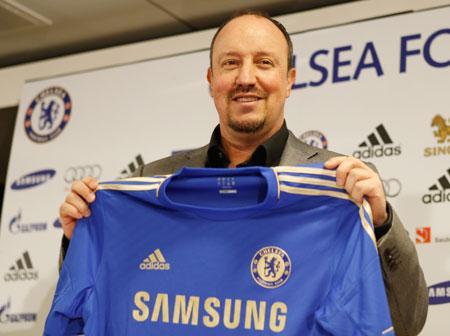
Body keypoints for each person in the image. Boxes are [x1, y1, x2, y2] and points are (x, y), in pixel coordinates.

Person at [58, 11, 428, 336]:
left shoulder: (339, 187)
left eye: (264, 63)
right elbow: (97, 304)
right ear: (212, 78)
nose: (245, 78)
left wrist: (379, 224)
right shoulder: (150, 181)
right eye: (231, 63)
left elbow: (406, 322)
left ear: (289, 80)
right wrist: (82, 240)